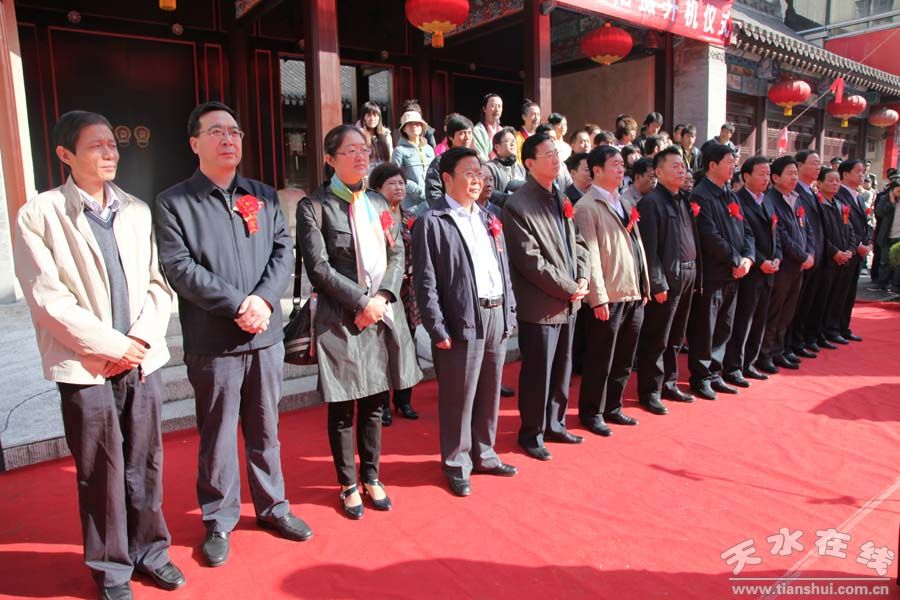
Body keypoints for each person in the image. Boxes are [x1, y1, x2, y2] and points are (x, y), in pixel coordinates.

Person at [15, 111, 182, 600]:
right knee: (99, 471)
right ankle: (111, 570)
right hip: (86, 366)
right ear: (65, 154)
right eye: (96, 145)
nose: (110, 152)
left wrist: (138, 342)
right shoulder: (40, 214)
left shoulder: (136, 210)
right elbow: (47, 298)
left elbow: (158, 285)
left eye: (112, 144)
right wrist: (112, 346)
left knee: (145, 462)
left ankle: (151, 551)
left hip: (141, 360)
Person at [154, 101, 312, 567]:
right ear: (194, 143)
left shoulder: (262, 195)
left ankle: (272, 505)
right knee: (218, 434)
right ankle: (219, 519)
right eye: (216, 132)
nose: (229, 139)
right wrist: (237, 304)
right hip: (214, 340)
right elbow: (179, 267)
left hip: (264, 335)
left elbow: (283, 251)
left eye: (235, 132)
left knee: (266, 428)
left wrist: (263, 300)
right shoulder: (175, 202)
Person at [296, 125, 422, 519]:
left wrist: (382, 298)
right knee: (342, 404)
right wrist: (362, 302)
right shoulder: (314, 206)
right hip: (340, 317)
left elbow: (397, 253)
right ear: (329, 159)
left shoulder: (377, 202)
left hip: (380, 313)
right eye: (350, 150)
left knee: (374, 400)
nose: (360, 156)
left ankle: (372, 476)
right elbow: (319, 268)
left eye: (364, 149)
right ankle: (347, 483)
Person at [413, 147, 518, 497]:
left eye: (480, 173)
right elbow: (425, 280)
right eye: (469, 173)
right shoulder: (433, 220)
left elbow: (502, 268)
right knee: (458, 396)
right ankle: (457, 463)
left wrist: (509, 310)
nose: (478, 179)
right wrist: (436, 325)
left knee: (489, 390)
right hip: (460, 318)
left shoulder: (488, 217)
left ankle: (484, 453)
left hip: (495, 312)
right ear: (447, 178)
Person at [503, 132, 590, 461]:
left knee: (563, 368)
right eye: (548, 155)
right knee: (538, 372)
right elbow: (530, 262)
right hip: (540, 305)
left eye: (557, 153)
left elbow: (578, 242)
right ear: (529, 163)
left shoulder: (560, 195)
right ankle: (532, 432)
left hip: (569, 299)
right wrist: (569, 287)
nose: (556, 159)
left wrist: (583, 277)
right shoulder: (518, 204)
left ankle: (555, 423)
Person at [573, 146, 649, 436]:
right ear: (597, 170)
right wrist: (598, 297)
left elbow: (637, 246)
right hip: (609, 294)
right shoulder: (587, 206)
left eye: (621, 165)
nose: (621, 169)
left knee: (624, 357)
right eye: (614, 164)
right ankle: (591, 412)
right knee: (600, 358)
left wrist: (644, 284)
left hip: (632, 291)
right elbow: (589, 255)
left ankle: (613, 407)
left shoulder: (625, 202)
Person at [635, 147, 702, 414]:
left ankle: (669, 383)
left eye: (683, 166)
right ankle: (650, 390)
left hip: (688, 274)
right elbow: (649, 249)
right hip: (667, 279)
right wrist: (657, 283)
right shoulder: (651, 203)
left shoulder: (683, 199)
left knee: (676, 336)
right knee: (657, 337)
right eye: (674, 166)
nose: (681, 170)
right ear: (659, 172)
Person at [686, 144, 755, 400]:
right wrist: (735, 260)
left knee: (724, 326)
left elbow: (747, 231)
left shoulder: (730, 194)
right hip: (713, 274)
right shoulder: (700, 195)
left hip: (734, 273)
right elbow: (709, 235)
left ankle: (716, 373)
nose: (733, 166)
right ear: (712, 165)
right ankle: (701, 376)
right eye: (729, 161)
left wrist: (748, 258)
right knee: (705, 327)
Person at [369, 162, 421, 425]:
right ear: (378, 188)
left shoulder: (410, 217)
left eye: (401, 182)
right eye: (392, 183)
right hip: (384, 290)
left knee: (407, 344)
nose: (398, 187)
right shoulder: (371, 218)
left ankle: (404, 399)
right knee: (383, 347)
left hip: (408, 290)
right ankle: (381, 403)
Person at [721, 157, 781, 386]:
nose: (766, 178)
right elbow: (742, 237)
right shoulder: (737, 200)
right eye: (761, 174)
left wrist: (777, 256)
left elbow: (776, 233)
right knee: (742, 320)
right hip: (750, 270)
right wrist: (760, 261)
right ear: (746, 176)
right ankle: (733, 366)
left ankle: (749, 363)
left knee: (759, 320)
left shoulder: (767, 200)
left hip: (769, 270)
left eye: (768, 174)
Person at [756, 156, 814, 373]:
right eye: (790, 173)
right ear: (776, 177)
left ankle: (779, 350)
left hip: (798, 266)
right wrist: (802, 256)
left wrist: (810, 253)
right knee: (774, 311)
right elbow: (781, 235)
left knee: (788, 311)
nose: (794, 177)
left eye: (795, 173)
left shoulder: (796, 198)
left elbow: (808, 229)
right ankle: (765, 354)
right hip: (783, 265)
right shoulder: (771, 200)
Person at [786, 150, 825, 357]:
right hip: (799, 258)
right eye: (814, 163)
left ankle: (799, 340)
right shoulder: (795, 193)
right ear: (800, 165)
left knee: (807, 303)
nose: (818, 167)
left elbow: (812, 228)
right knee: (794, 306)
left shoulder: (810, 191)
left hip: (813, 255)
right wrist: (804, 254)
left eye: (819, 163)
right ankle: (789, 344)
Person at [817, 167, 860, 346]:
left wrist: (851, 250)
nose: (835, 184)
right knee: (822, 299)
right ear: (819, 183)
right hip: (827, 260)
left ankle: (833, 330)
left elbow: (850, 230)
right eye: (830, 180)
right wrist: (835, 252)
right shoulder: (818, 205)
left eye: (837, 181)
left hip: (844, 259)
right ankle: (818, 334)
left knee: (839, 297)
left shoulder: (841, 205)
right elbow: (820, 234)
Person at [834, 159, 872, 342]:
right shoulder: (839, 195)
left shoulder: (858, 196)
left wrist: (868, 242)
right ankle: (833, 328)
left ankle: (844, 327)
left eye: (863, 171)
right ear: (846, 173)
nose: (862, 175)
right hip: (846, 251)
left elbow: (865, 223)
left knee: (849, 293)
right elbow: (845, 226)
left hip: (859, 252)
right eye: (858, 171)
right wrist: (857, 246)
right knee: (839, 293)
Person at [391, 110, 435, 216]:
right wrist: (417, 190)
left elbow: (435, 172)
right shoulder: (399, 151)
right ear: (404, 129)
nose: (414, 126)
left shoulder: (429, 149)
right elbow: (396, 177)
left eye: (417, 123)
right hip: (411, 205)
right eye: (410, 124)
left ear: (422, 127)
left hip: (431, 200)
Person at [424, 113, 475, 206]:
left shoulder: (475, 160)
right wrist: (444, 210)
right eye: (462, 133)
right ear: (451, 136)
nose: (467, 137)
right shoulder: (441, 161)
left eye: (469, 133)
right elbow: (433, 191)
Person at [873, 181, 900, 292]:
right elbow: (879, 212)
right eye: (898, 190)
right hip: (887, 236)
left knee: (898, 263)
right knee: (885, 262)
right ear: (892, 190)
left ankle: (896, 286)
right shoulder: (884, 199)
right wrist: (891, 202)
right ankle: (882, 284)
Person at [487, 126, 528, 195]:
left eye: (514, 141)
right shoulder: (490, 168)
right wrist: (507, 199)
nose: (513, 144)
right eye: (508, 141)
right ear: (497, 147)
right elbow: (490, 192)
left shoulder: (520, 168)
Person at [356, 100, 392, 170]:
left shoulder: (386, 135)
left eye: (375, 115)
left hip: (383, 172)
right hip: (365, 173)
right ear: (363, 117)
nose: (372, 118)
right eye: (369, 115)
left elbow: (390, 156)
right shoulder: (358, 136)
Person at [473, 92, 504, 162]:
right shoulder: (477, 131)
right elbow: (480, 156)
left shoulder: (503, 131)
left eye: (499, 106)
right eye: (493, 106)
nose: (497, 110)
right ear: (484, 108)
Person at [515, 99, 541, 163]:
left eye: (538, 115)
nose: (536, 118)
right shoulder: (516, 137)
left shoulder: (540, 137)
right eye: (533, 114)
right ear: (524, 117)